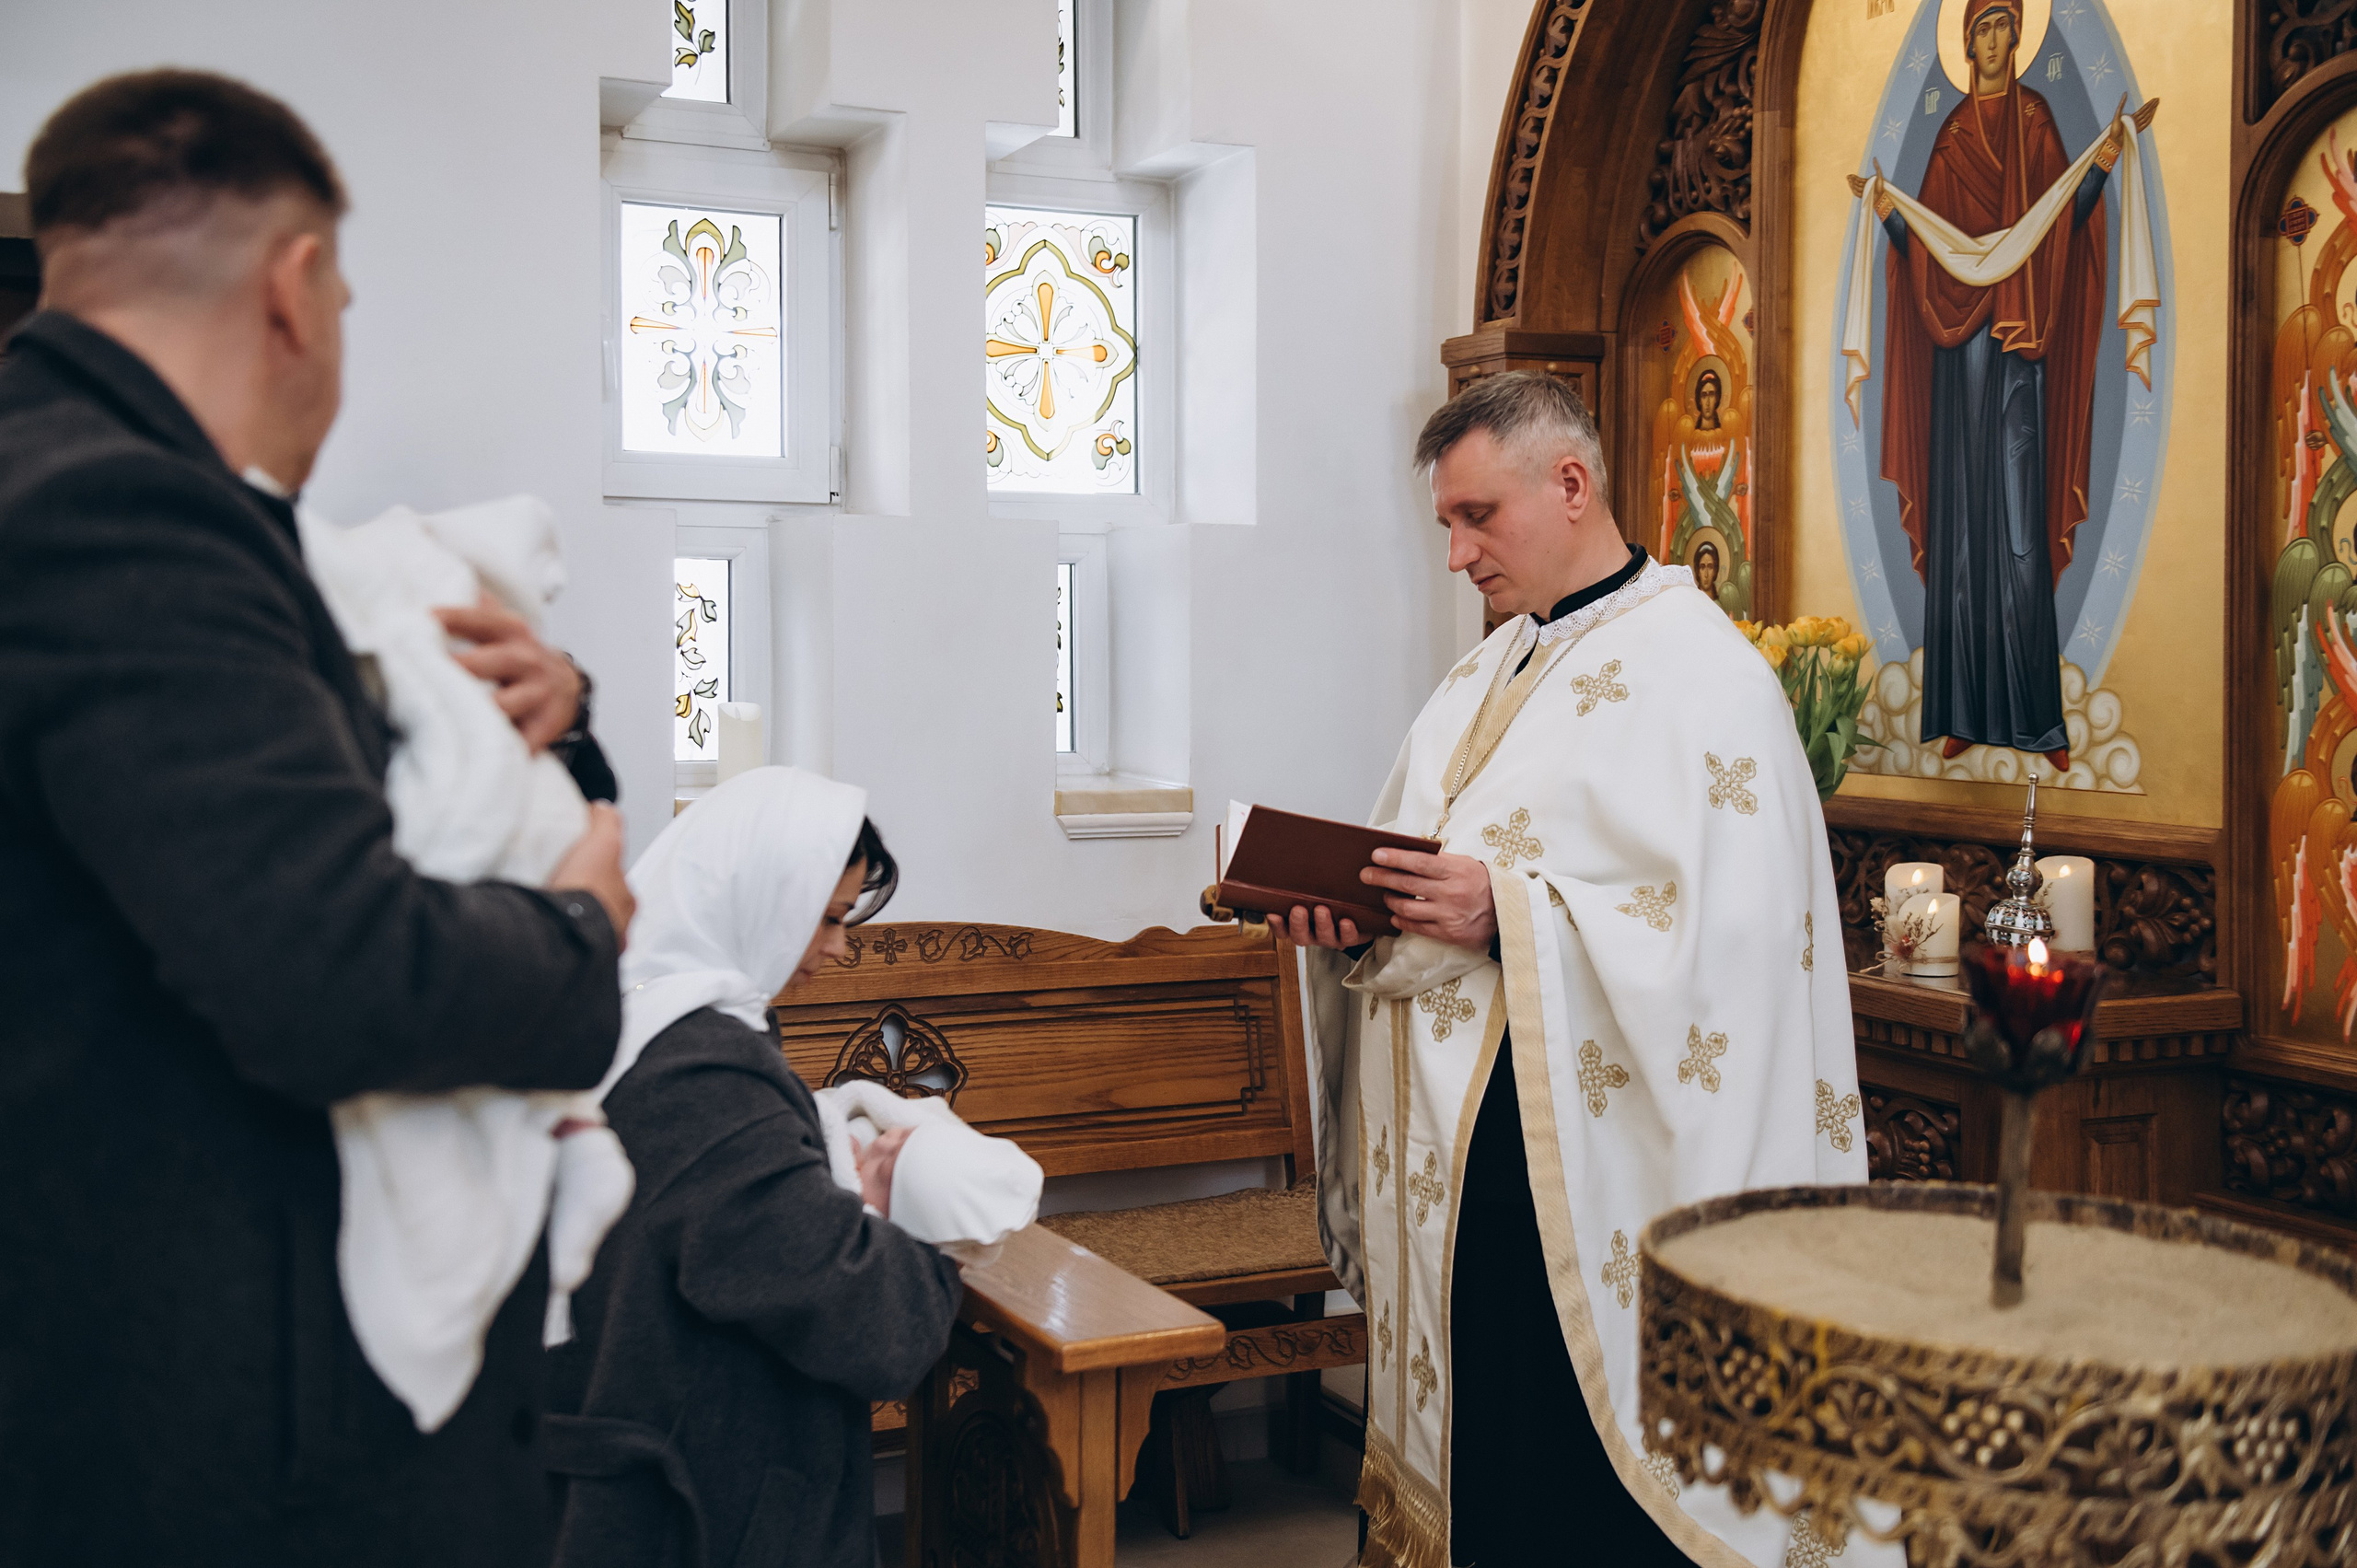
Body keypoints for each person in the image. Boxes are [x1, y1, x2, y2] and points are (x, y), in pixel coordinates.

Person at [0, 71, 633, 1566]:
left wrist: (553, 699)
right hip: (219, 1441)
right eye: (341, 297)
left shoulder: (86, 482)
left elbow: (256, 795)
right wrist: (581, 930)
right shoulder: (120, 513)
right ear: (294, 288)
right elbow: (337, 968)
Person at [1279, 372, 1883, 1567]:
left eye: (1477, 516)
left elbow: (1736, 937)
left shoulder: (1705, 676)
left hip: (1586, 1172)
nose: (1457, 553)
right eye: (1446, 523)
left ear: (1570, 483)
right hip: (1464, 1172)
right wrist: (1359, 920)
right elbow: (1425, 868)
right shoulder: (1487, 670)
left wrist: (1508, 911)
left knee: (1560, 1477)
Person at [546, 767, 965, 1568]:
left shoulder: (637, 1016)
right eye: (828, 917)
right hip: (711, 1504)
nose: (839, 946)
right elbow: (874, 1327)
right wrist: (897, 1217)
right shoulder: (702, 1074)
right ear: (756, 894)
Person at [1862, 0, 2157, 772]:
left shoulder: (2035, 123)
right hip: (1958, 356)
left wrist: (2099, 165)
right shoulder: (1953, 135)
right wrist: (1891, 216)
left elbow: (2060, 220)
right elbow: (1930, 245)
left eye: (2004, 26)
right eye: (1982, 28)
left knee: (2021, 530)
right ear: (1966, 42)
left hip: (2019, 348)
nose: (1994, 40)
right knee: (1963, 528)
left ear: (2018, 36)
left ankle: (2036, 721)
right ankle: (1963, 711)